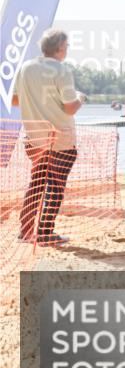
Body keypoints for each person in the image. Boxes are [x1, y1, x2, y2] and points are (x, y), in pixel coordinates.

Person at [11, 29, 86, 246]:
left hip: (34, 138)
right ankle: (45, 233)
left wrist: (37, 104)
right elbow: (70, 108)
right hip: (60, 138)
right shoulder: (62, 71)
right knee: (55, 186)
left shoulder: (25, 68)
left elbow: (15, 102)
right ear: (60, 48)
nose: (68, 49)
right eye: (67, 45)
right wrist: (81, 98)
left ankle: (25, 232)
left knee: (37, 183)